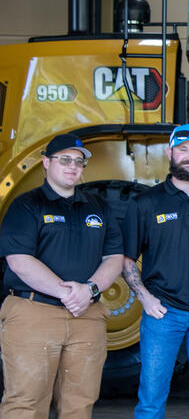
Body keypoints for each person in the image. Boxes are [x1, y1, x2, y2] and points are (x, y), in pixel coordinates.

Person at [0, 133, 124, 419]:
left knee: (79, 404)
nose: (73, 167)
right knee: (26, 404)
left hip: (87, 316)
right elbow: (19, 261)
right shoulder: (27, 205)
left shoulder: (99, 207)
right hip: (34, 313)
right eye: (64, 160)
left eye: (79, 162)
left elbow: (114, 257)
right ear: (46, 162)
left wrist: (90, 290)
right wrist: (70, 293)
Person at [121, 124, 189, 418]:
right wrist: (144, 298)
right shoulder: (145, 203)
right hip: (162, 313)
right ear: (170, 152)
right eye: (183, 150)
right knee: (151, 399)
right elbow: (127, 258)